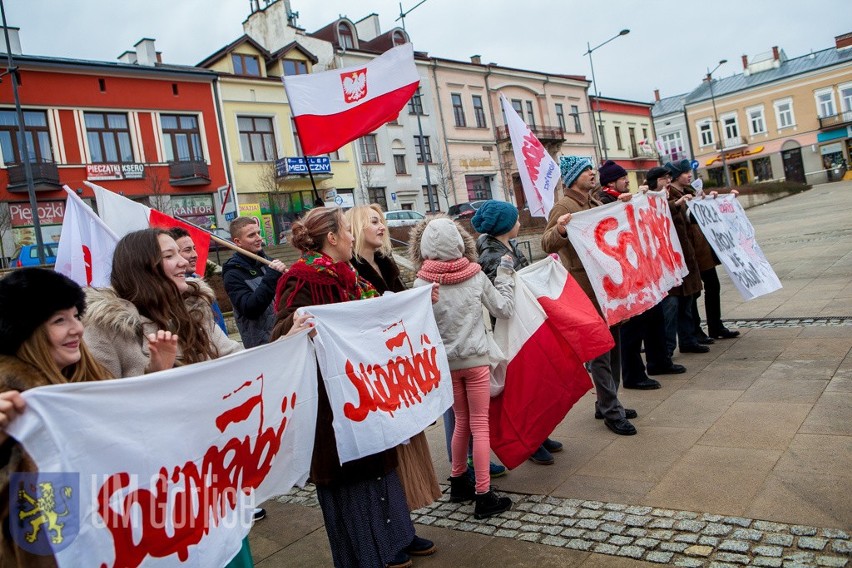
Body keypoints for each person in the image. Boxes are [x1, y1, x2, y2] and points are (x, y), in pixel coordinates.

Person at [83, 229, 292, 552]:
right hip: (156, 484)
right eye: (169, 256)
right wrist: (157, 372)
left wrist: (287, 347)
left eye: (180, 254)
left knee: (228, 547)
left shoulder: (193, 307)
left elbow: (234, 359)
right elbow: (97, 410)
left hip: (211, 463)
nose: (185, 261)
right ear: (141, 267)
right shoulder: (104, 326)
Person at [270, 207, 433, 568]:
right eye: (345, 229)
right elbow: (280, 331)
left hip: (364, 388)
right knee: (352, 477)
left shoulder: (348, 274)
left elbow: (378, 309)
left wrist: (412, 304)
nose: (349, 235)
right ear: (331, 238)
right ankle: (364, 555)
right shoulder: (301, 277)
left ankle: (392, 543)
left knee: (378, 465)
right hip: (331, 400)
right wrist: (294, 328)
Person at [0, 268, 112, 567]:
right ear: (28, 331)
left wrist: (159, 372)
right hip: (45, 553)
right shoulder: (8, 398)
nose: (76, 328)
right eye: (59, 320)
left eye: (76, 316)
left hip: (106, 541)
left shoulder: (95, 380)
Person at [410, 215, 515, 519]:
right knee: (480, 426)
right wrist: (506, 275)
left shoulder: (421, 282)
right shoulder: (476, 275)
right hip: (476, 361)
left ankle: (458, 482)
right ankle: (484, 494)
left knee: (460, 423)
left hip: (447, 364)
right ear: (460, 243)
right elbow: (503, 308)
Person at [345, 204, 442, 516]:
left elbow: (401, 305)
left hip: (399, 366)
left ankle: (407, 511)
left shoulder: (386, 263)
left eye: (382, 221)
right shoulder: (352, 270)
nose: (381, 227)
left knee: (409, 436)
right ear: (358, 227)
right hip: (376, 367)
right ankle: (397, 517)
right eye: (374, 222)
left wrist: (422, 300)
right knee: (392, 444)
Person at [541, 156, 638, 436]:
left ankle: (608, 401)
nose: (592, 174)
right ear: (573, 177)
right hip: (587, 288)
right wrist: (560, 228)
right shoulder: (564, 206)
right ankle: (611, 411)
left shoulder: (594, 201)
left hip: (608, 286)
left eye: (591, 169)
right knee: (600, 351)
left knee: (614, 345)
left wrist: (624, 206)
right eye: (585, 170)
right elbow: (546, 242)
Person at [472, 199, 564, 465]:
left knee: (535, 383)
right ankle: (530, 441)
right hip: (508, 330)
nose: (520, 223)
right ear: (505, 226)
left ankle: (539, 433)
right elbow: (500, 294)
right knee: (521, 387)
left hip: (520, 325)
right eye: (515, 219)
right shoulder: (494, 256)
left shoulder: (504, 247)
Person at [595, 162, 664, 391]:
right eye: (622, 178)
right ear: (610, 182)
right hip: (620, 275)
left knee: (642, 322)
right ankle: (633, 375)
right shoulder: (605, 202)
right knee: (630, 330)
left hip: (633, 271)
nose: (627, 181)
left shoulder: (616, 199)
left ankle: (639, 371)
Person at [663, 160, 712, 354]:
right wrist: (677, 204)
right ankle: (669, 348)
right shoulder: (670, 197)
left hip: (689, 253)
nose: (689, 175)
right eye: (684, 172)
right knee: (675, 305)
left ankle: (689, 338)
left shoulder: (686, 193)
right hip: (676, 256)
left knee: (689, 299)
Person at [223, 217, 286, 348]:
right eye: (252, 235)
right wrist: (271, 277)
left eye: (259, 233)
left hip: (284, 337)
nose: (259, 238)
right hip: (262, 346)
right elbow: (251, 309)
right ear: (237, 242)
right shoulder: (233, 273)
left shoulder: (268, 261)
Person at [167, 226, 227, 333]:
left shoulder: (201, 286)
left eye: (194, 248)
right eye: (187, 250)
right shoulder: (169, 293)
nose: (195, 255)